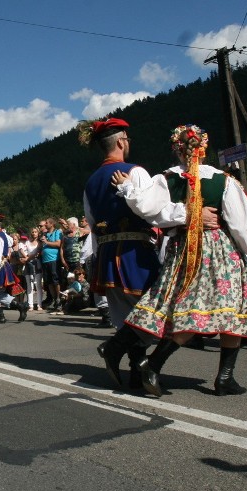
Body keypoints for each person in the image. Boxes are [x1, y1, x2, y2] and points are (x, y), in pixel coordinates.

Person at [111, 124, 247, 397]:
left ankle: (212, 375)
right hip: (222, 252)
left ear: (176, 149)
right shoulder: (223, 180)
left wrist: (130, 188)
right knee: (230, 310)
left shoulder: (166, 179)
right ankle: (222, 377)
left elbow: (151, 212)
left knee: (188, 308)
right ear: (203, 149)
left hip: (184, 249)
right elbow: (242, 224)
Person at [79, 118, 192, 388]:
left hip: (107, 254)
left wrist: (97, 260)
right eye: (127, 140)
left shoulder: (91, 182)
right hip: (135, 253)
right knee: (157, 310)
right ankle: (119, 353)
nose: (128, 144)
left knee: (124, 316)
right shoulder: (136, 172)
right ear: (120, 142)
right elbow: (154, 211)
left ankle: (135, 371)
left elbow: (92, 224)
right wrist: (190, 214)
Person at [0, 218, 29, 323]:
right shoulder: (3, 235)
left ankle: (0, 316)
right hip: (3, 267)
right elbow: (11, 240)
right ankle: (20, 306)